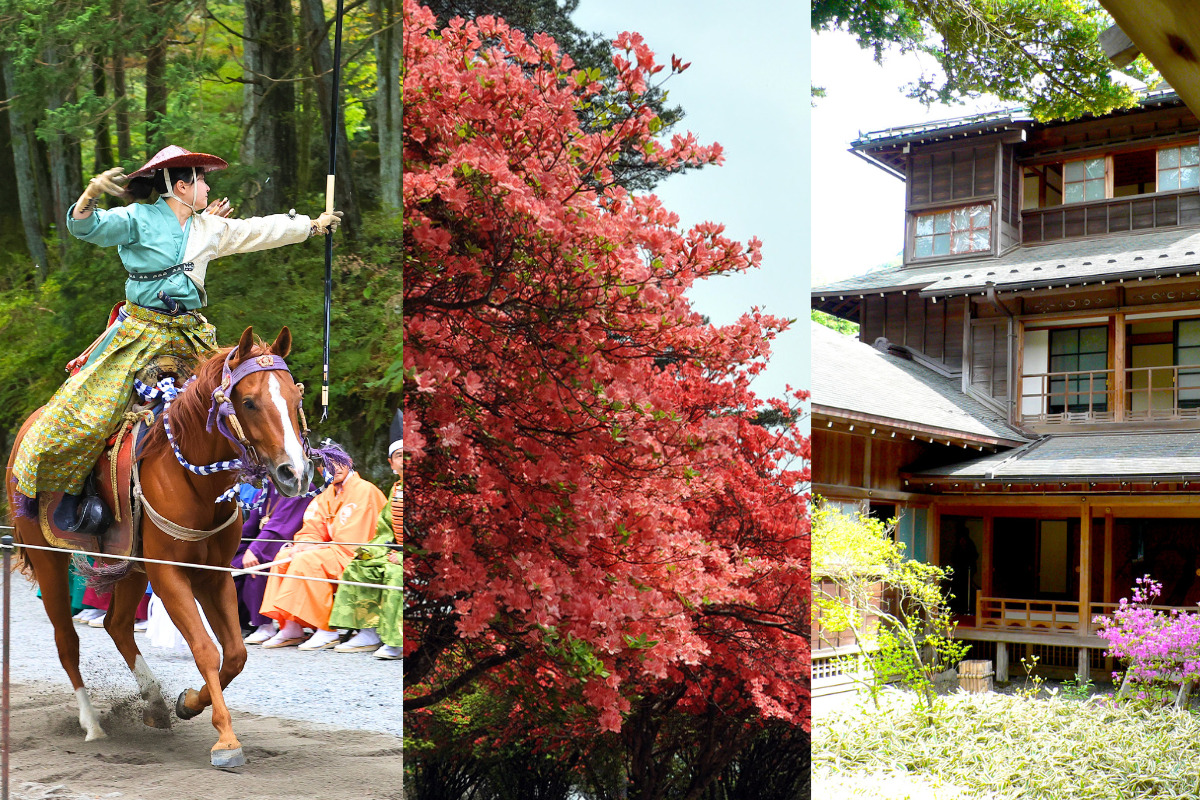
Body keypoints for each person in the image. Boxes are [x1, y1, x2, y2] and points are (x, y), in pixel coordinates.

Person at [11, 146, 343, 531]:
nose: (207, 188)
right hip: (140, 332)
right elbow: (86, 227)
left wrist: (312, 226)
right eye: (202, 181)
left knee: (239, 397)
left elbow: (258, 230)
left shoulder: (208, 228)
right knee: (92, 408)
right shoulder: (137, 218)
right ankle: (71, 490)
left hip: (190, 333)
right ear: (182, 187)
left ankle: (247, 476)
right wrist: (91, 194)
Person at [259, 453, 386, 650]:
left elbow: (354, 538)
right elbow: (311, 529)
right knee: (284, 557)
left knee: (308, 561)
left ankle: (326, 629)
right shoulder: (325, 496)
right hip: (333, 551)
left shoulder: (365, 491)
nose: (332, 468)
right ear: (320, 470)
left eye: (337, 462)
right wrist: (302, 545)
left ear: (349, 462)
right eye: (326, 465)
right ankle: (292, 626)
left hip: (355, 553)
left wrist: (314, 548)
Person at [331, 411, 403, 659]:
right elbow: (385, 530)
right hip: (394, 551)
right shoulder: (395, 490)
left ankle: (397, 640)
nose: (405, 460)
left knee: (395, 574)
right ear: (391, 463)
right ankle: (368, 631)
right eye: (400, 456)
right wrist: (375, 551)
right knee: (359, 565)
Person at [233, 480, 315, 643]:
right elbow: (250, 526)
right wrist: (232, 548)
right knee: (231, 563)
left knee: (257, 564)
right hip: (264, 542)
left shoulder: (300, 487)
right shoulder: (265, 488)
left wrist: (254, 550)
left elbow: (280, 526)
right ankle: (236, 623)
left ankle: (265, 625)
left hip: (287, 541)